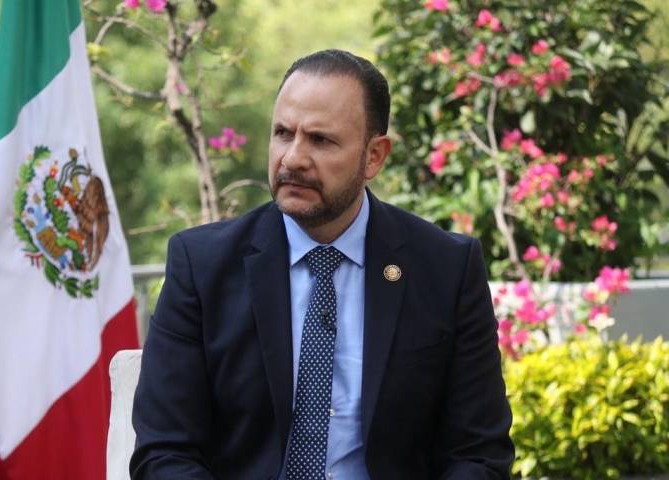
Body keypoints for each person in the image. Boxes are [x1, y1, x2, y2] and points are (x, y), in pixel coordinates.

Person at [130, 49, 514, 479]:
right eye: (282, 133)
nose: (292, 158)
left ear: (374, 156)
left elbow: (479, 454)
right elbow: (164, 452)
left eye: (320, 140)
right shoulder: (202, 266)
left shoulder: (446, 269)